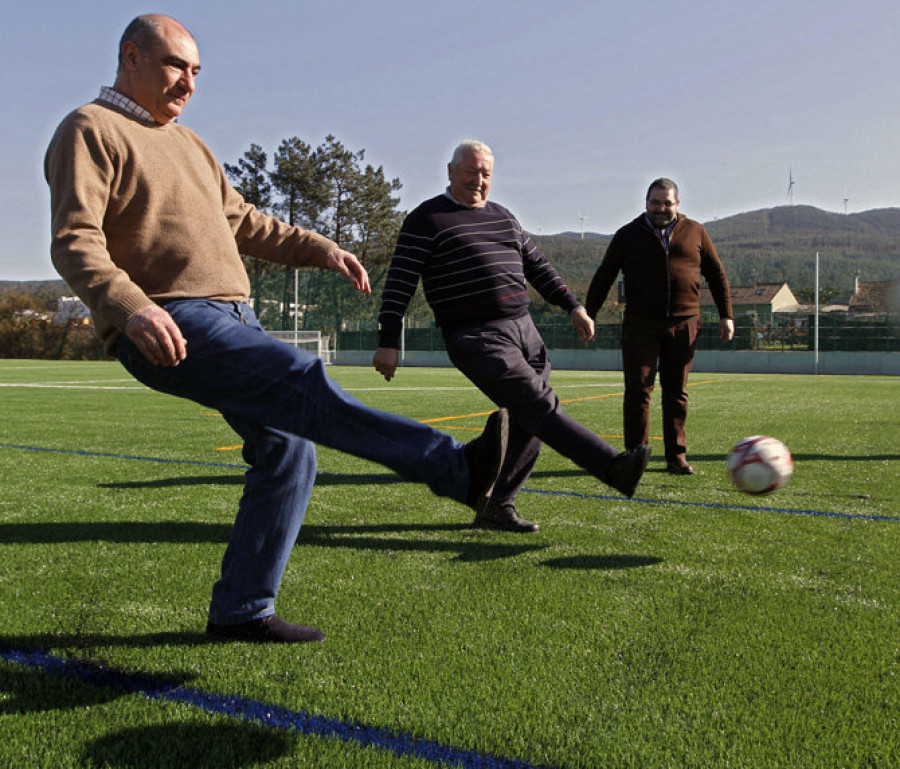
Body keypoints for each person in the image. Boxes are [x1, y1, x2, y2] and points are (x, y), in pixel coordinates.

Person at [44, 14, 510, 644]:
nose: (188, 82)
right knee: (299, 378)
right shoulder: (90, 129)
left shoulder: (192, 145)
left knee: (289, 448)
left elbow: (246, 222)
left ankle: (240, 610)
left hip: (236, 316)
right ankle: (455, 471)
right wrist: (131, 307)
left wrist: (322, 248)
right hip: (170, 318)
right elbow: (76, 240)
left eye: (197, 72)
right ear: (130, 56)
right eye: (175, 65)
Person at [372, 140, 651, 533]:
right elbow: (400, 281)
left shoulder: (504, 217)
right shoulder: (427, 219)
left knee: (530, 418)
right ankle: (611, 467)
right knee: (539, 405)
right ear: (450, 172)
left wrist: (573, 306)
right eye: (471, 172)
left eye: (486, 173)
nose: (479, 180)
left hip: (525, 329)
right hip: (475, 335)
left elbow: (538, 266)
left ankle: (497, 503)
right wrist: (388, 341)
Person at [585, 178, 735, 475]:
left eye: (667, 203)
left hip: (686, 323)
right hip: (641, 324)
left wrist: (726, 314)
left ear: (678, 204)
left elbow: (716, 275)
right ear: (646, 203)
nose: (661, 208)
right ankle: (635, 457)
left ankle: (676, 457)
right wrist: (588, 313)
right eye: (655, 202)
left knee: (676, 392)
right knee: (638, 391)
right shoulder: (627, 235)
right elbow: (604, 276)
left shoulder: (696, 232)